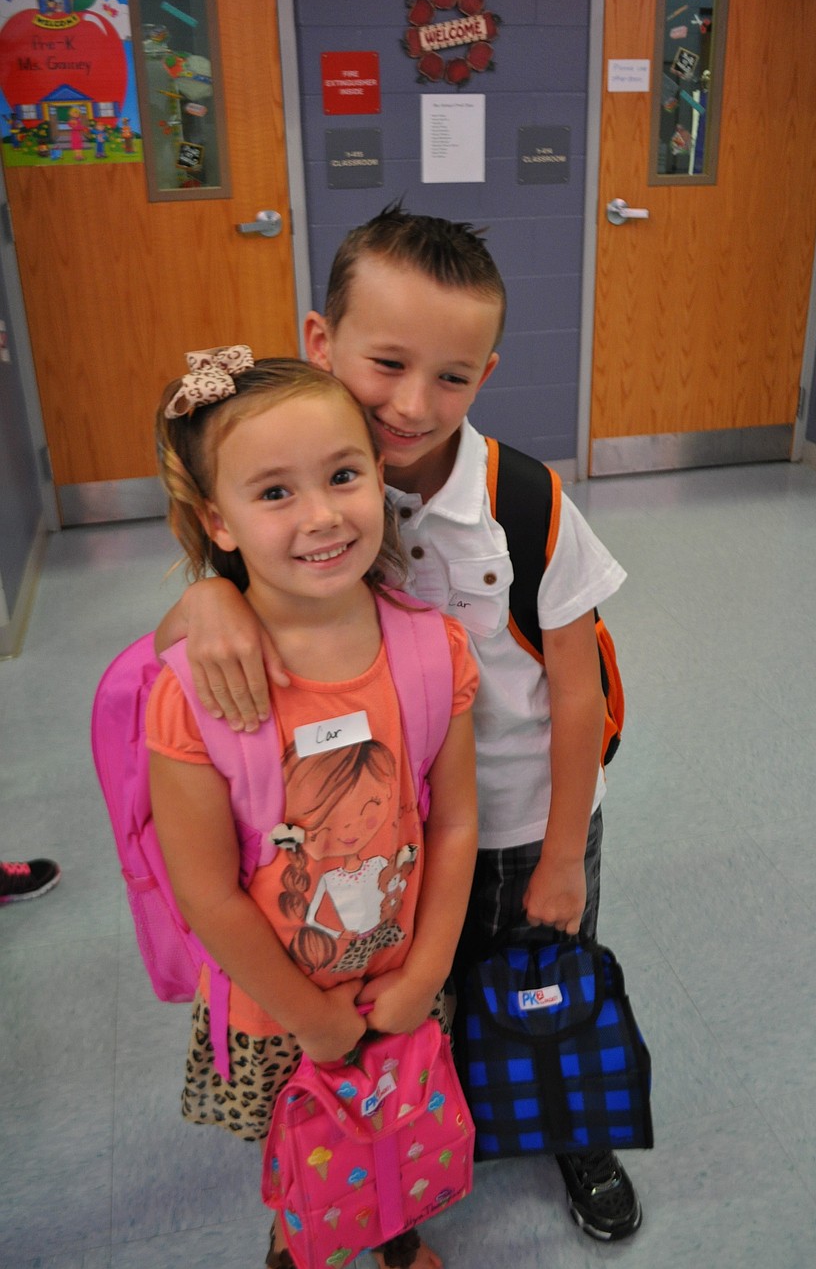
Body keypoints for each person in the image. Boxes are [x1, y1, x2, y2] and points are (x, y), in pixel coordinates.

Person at [154, 207, 640, 1242]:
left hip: (522, 814)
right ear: (322, 343)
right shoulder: (318, 489)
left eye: (452, 377)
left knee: (545, 985)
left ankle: (573, 1130)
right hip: (392, 841)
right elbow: (215, 579)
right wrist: (207, 595)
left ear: (487, 373)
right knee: (429, 996)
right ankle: (431, 1132)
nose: (412, 405)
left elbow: (574, 690)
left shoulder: (524, 501)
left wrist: (562, 853)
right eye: (385, 363)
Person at [147, 349, 479, 1269]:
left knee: (397, 1120)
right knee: (309, 1152)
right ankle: (300, 1244)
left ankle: (397, 1227)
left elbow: (453, 823)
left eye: (342, 475)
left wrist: (425, 975)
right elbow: (208, 894)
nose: (324, 515)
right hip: (276, 1011)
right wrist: (309, 1017)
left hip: (404, 976)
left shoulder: (432, 650)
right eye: (275, 492)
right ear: (218, 518)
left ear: (380, 476)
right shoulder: (191, 695)